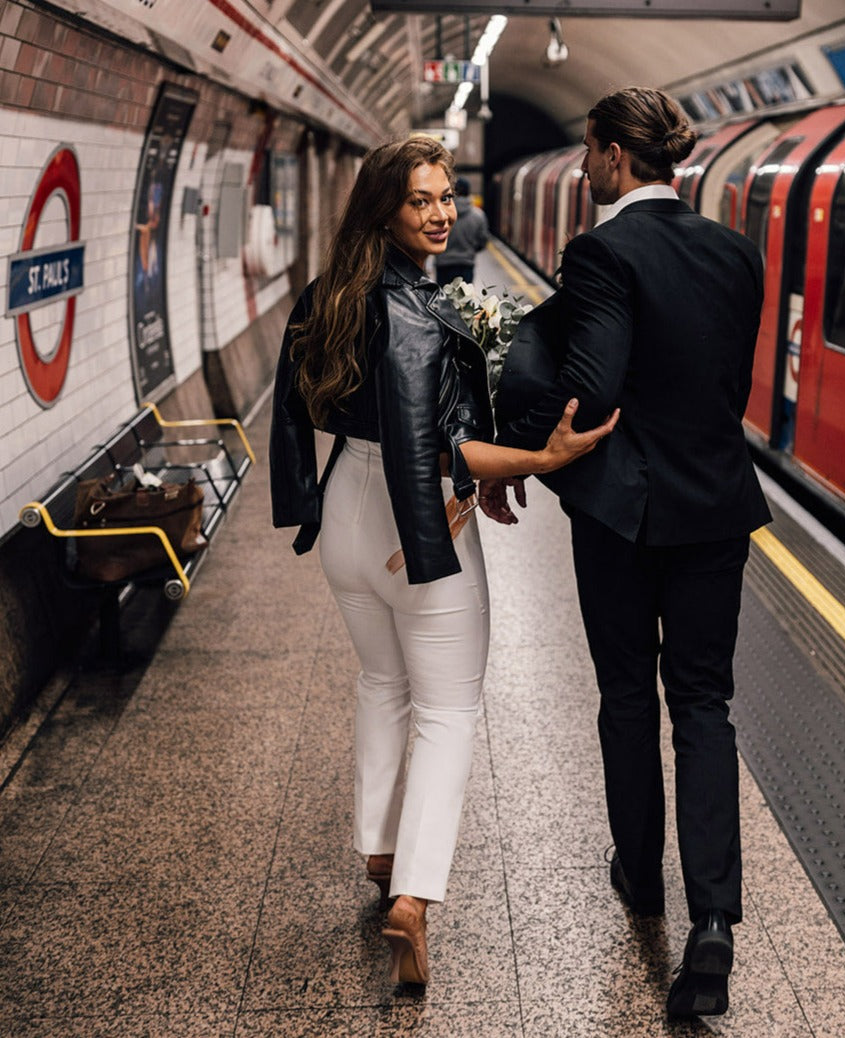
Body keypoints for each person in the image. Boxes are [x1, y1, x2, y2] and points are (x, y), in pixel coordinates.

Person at [269, 136, 617, 989]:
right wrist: (544, 458)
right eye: (420, 199)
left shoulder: (326, 296)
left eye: (446, 196)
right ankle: (414, 899)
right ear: (384, 208)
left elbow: (289, 410)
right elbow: (446, 449)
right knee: (450, 708)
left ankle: (379, 854)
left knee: (382, 685)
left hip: (345, 508)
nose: (439, 213)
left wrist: (304, 502)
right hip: (411, 519)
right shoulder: (417, 314)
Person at [483, 87, 771, 1020]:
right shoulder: (736, 251)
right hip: (718, 512)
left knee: (624, 695)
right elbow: (729, 382)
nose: (584, 167)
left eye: (589, 153)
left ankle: (642, 878)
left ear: (611, 156)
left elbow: (594, 391)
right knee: (704, 704)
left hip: (623, 518)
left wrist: (527, 410)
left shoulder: (602, 251)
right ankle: (716, 922)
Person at [434, 176, 488, 286]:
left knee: (442, 300)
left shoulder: (440, 214)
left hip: (443, 265)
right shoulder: (478, 215)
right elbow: (482, 241)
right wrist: (470, 249)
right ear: (469, 192)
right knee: (464, 300)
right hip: (466, 264)